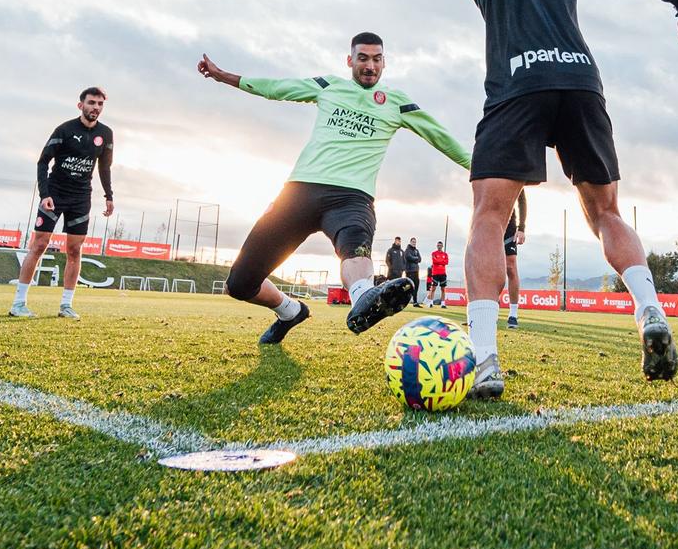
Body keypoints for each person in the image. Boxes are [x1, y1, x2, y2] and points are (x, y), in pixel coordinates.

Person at [425, 0, 678, 397]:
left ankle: (486, 358)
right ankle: (649, 312)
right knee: (606, 212)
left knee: (489, 217)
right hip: (582, 83)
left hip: (518, 87)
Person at [196, 34, 470, 344]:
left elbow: (440, 136)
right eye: (363, 58)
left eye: (376, 59)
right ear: (350, 60)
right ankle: (289, 311)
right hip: (298, 193)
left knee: (354, 250)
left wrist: (482, 167)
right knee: (240, 284)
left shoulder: (398, 103)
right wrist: (224, 77)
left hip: (351, 197)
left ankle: (364, 297)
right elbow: (277, 89)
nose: (370, 65)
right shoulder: (328, 86)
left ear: (384, 62)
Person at [9, 87, 114, 319]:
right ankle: (18, 303)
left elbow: (104, 168)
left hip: (81, 198)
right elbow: (42, 162)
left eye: (100, 104)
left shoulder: (106, 134)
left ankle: (66, 305)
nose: (95, 107)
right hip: (55, 195)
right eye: (91, 103)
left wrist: (109, 196)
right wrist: (44, 194)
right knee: (39, 245)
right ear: (81, 105)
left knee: (75, 250)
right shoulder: (65, 129)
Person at [504, 191, 528, 329]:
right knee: (486, 268)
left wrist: (522, 227)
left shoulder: (513, 169)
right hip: (487, 224)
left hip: (509, 227)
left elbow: (522, 200)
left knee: (510, 267)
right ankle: (482, 312)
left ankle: (513, 314)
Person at [427, 240, 450, 308]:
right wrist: (441, 261)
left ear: (442, 246)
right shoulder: (434, 253)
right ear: (437, 246)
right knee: (433, 288)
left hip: (443, 273)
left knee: (443, 289)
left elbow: (446, 262)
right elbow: (434, 261)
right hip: (435, 273)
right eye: (438, 245)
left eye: (440, 245)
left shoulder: (445, 254)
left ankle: (443, 304)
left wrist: (439, 261)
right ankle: (431, 303)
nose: (439, 246)